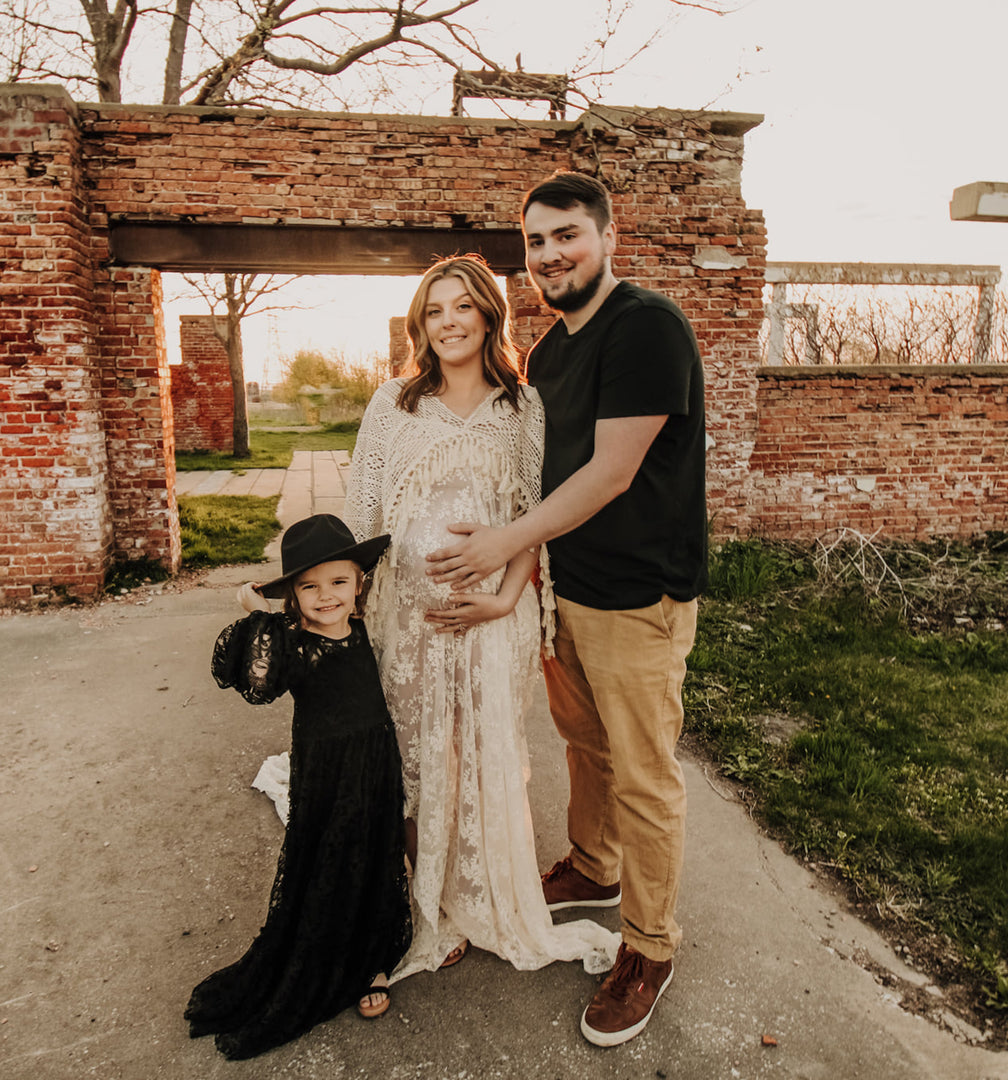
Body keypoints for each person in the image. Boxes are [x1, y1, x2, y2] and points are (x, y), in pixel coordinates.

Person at [425, 172, 707, 1047]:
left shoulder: (646, 327)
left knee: (644, 773)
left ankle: (649, 947)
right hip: (567, 591)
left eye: (567, 235)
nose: (550, 255)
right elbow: (538, 476)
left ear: (608, 236)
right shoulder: (548, 354)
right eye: (536, 242)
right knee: (586, 745)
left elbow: (611, 473)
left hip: (639, 596)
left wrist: (500, 545)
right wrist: (524, 578)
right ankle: (594, 866)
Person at [343, 254, 618, 982]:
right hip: (408, 622)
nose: (449, 323)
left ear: (489, 315)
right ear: (420, 325)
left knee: (477, 755)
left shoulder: (522, 408)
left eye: (463, 306)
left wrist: (503, 598)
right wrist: (344, 608)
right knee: (414, 758)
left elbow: (536, 518)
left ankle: (475, 894)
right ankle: (425, 902)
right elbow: (362, 514)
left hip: (495, 618)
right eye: (435, 311)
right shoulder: (392, 404)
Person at [184, 514, 412, 1060]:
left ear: (359, 583)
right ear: (293, 597)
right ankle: (328, 957)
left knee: (375, 856)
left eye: (338, 581)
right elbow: (255, 682)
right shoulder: (294, 644)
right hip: (326, 774)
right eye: (309, 587)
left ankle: (373, 959)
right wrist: (258, 613)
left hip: (375, 765)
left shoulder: (365, 630)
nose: (326, 596)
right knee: (330, 861)